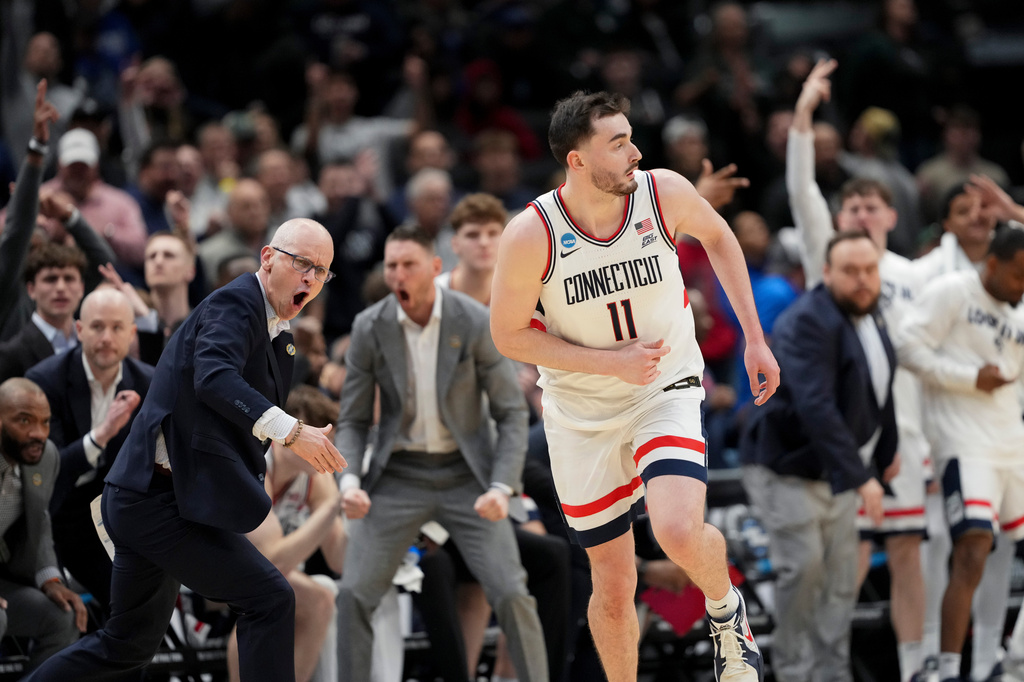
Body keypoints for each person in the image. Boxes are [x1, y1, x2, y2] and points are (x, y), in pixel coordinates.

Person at [489, 90, 779, 682]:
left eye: (631, 136)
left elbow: (721, 237)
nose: (635, 151)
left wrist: (753, 336)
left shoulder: (662, 190)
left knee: (675, 529)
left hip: (663, 386)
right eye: (617, 143)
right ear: (577, 160)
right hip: (580, 411)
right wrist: (607, 364)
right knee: (615, 586)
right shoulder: (531, 233)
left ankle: (727, 612)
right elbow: (508, 336)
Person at [23, 218, 347, 682]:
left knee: (127, 644)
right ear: (268, 257)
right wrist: (292, 431)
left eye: (322, 271)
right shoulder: (236, 303)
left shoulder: (281, 337)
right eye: (302, 264)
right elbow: (214, 378)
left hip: (161, 500)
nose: (311, 279)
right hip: (154, 501)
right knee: (270, 598)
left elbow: (228, 419)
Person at [335, 225, 548, 682]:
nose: (398, 275)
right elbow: (352, 421)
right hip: (397, 475)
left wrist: (501, 484)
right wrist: (348, 481)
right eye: (391, 266)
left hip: (467, 475)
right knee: (353, 593)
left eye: (408, 264)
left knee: (512, 592)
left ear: (434, 268)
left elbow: (512, 415)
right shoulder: (369, 327)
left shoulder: (472, 320)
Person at [788, 58, 929, 681]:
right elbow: (801, 192)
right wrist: (802, 116)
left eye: (874, 206)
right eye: (854, 208)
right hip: (845, 436)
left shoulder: (918, 275)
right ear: (840, 222)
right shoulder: (831, 266)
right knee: (841, 561)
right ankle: (827, 667)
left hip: (904, 432)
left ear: (892, 216)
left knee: (908, 553)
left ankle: (918, 666)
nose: (863, 215)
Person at [741, 230, 898, 682]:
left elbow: (885, 387)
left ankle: (832, 673)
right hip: (784, 464)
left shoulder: (872, 314)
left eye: (870, 270)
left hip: (834, 469)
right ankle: (794, 671)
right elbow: (816, 406)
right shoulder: (807, 320)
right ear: (825, 273)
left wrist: (888, 452)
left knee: (840, 579)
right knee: (805, 568)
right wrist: (860, 475)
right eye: (850, 271)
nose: (863, 280)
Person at [896, 227, 1024, 682]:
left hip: (1012, 440)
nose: (1022, 285)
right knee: (974, 549)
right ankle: (950, 669)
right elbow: (907, 348)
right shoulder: (952, 291)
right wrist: (968, 377)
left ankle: (1012, 661)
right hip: (962, 443)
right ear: (992, 264)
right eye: (1018, 274)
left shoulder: (1020, 305)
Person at [25, 288, 153, 615]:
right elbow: (47, 470)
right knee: (123, 601)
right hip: (59, 515)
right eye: (97, 327)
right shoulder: (45, 380)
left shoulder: (148, 383)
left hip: (121, 515)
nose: (106, 337)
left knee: (145, 598)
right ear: (79, 330)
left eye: (116, 328)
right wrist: (102, 434)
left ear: (131, 333)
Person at [226, 386, 347, 682]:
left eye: (328, 438)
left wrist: (346, 508)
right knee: (281, 594)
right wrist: (330, 507)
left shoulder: (314, 479)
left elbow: (340, 561)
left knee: (320, 598)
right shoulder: (257, 465)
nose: (323, 445)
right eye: (316, 434)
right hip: (211, 571)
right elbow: (272, 561)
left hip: (266, 580)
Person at [0, 378, 87, 671]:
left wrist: (50, 579)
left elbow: (41, 520)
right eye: (24, 421)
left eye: (45, 422)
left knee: (62, 615)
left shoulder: (46, 456)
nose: (38, 433)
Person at [0, 243, 87, 384]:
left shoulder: (91, 342)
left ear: (81, 288)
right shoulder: (12, 354)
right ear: (31, 290)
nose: (61, 288)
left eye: (69, 278)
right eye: (50, 279)